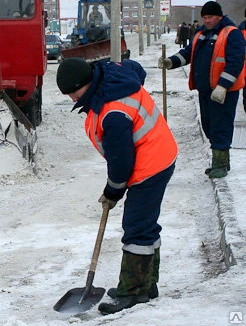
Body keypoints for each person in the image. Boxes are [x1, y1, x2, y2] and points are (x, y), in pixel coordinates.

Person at [56, 57, 177, 315]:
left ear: (85, 83)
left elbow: (122, 162)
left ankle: (132, 292)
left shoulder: (113, 112)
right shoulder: (111, 78)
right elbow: (134, 68)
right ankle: (146, 283)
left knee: (137, 227)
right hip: (159, 153)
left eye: (72, 93)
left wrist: (113, 191)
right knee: (145, 223)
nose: (72, 99)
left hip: (151, 164)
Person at [159, 1, 245, 178]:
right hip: (205, 90)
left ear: (219, 16)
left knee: (220, 126)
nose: (207, 21)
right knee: (208, 126)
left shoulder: (232, 34)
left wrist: (223, 86)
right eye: (204, 17)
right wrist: (171, 62)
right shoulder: (201, 35)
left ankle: (220, 164)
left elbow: (236, 63)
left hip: (223, 92)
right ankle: (221, 161)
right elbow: (188, 53)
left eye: (210, 17)